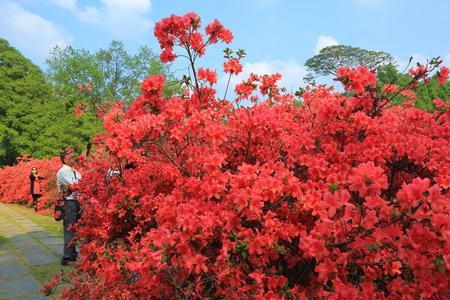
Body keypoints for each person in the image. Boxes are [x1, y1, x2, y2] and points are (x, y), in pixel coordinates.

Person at [56, 148, 82, 266]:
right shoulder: (63, 171)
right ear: (65, 159)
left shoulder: (75, 171)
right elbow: (74, 186)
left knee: (75, 230)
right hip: (68, 203)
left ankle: (73, 254)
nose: (74, 158)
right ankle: (67, 258)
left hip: (77, 202)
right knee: (69, 230)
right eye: (71, 156)